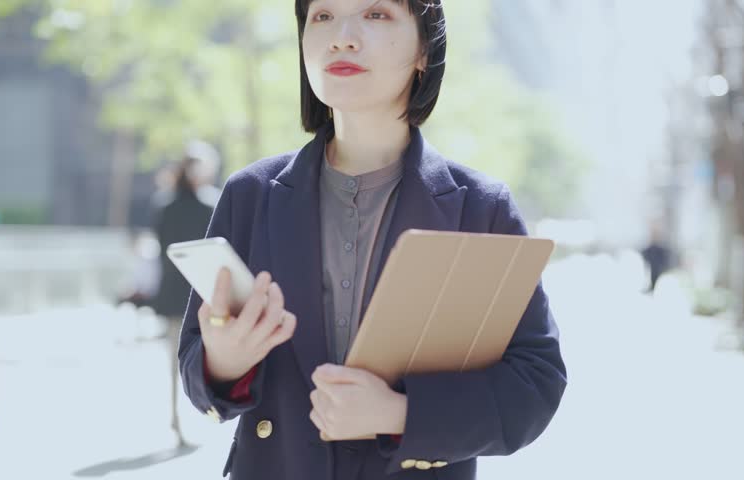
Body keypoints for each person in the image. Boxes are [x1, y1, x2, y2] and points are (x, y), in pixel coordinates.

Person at [178, 1, 567, 478]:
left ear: (425, 47)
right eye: (322, 16)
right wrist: (222, 362)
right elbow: (197, 371)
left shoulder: (480, 208)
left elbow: (535, 383)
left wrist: (398, 415)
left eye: (376, 14)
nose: (342, 36)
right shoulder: (249, 195)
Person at [152, 154, 215, 446]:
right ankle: (185, 421)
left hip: (185, 295)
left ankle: (183, 420)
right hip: (197, 296)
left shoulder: (170, 205)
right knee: (190, 362)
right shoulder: (204, 205)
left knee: (181, 363)